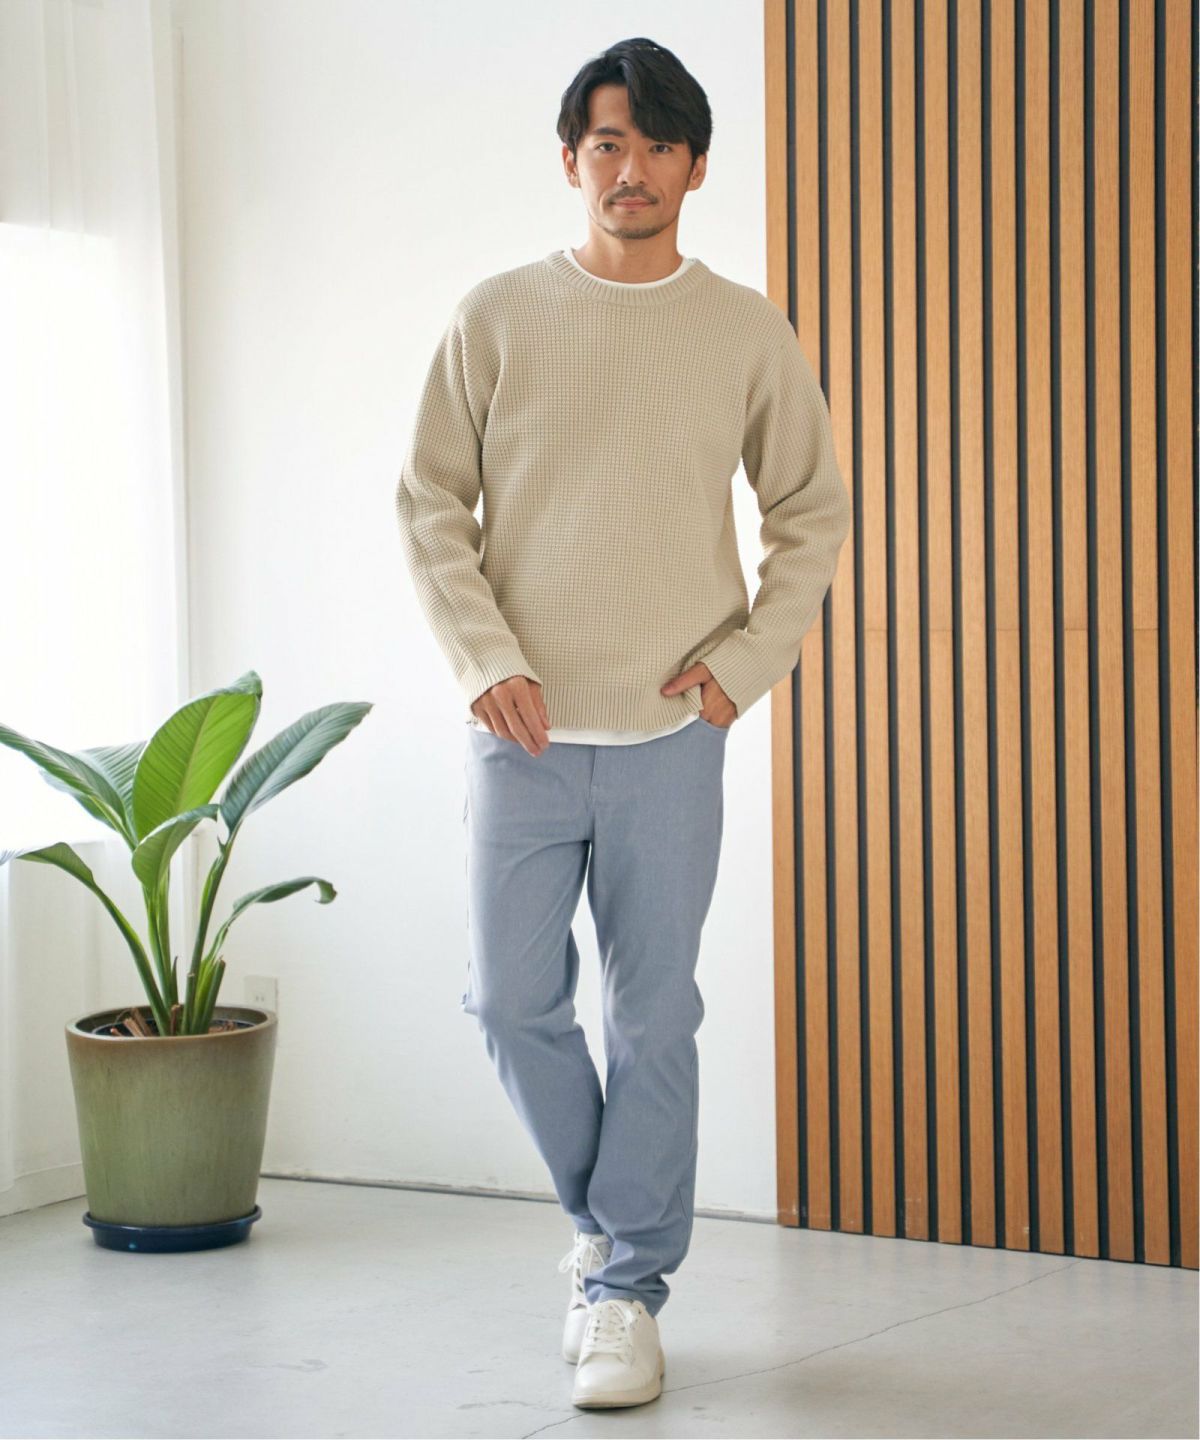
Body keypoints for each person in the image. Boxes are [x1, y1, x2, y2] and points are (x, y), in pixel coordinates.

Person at [394, 35, 851, 1411]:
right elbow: (429, 503)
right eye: (608, 144)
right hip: (523, 729)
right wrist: (483, 659)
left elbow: (810, 512)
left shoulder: (745, 330)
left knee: (654, 1017)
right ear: (570, 161)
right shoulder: (495, 316)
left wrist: (737, 672)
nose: (631, 168)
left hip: (669, 736)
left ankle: (626, 1292)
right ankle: (607, 1232)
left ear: (696, 168)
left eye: (657, 145)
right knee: (508, 1000)